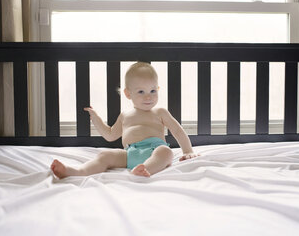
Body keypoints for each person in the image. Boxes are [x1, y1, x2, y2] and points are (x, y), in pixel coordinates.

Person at [51, 62, 198, 178]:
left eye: (153, 91)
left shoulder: (160, 112)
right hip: (130, 153)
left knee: (166, 152)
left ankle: (145, 169)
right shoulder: (125, 115)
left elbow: (177, 131)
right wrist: (96, 119)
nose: (148, 96)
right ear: (128, 94)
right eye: (141, 91)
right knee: (105, 155)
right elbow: (110, 135)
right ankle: (78, 171)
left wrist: (188, 151)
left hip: (154, 150)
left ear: (158, 89)